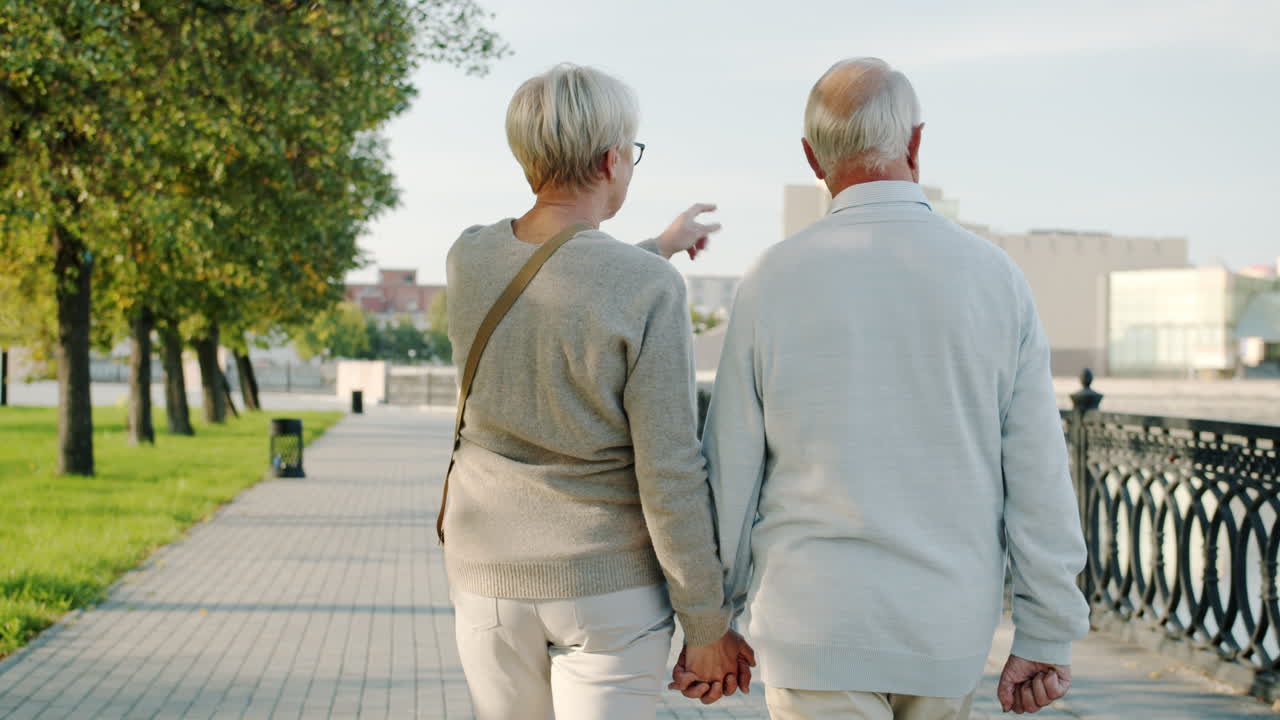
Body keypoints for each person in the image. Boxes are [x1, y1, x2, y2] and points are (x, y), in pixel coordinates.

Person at [684, 57, 1091, 718]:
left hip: (812, 620)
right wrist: (1047, 629)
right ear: (916, 143)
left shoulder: (771, 280)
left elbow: (731, 470)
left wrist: (711, 621)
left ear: (812, 159)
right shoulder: (995, 278)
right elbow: (1038, 471)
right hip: (946, 627)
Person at [441, 63, 753, 720]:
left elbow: (559, 292)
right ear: (612, 159)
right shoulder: (648, 288)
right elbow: (669, 470)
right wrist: (706, 624)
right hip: (606, 591)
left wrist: (658, 246)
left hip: (486, 575)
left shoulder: (468, 257)